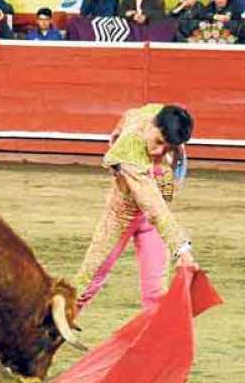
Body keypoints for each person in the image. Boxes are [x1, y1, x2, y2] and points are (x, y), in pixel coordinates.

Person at [74, 104, 196, 313]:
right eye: (158, 142)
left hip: (152, 222)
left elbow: (129, 114)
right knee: (87, 281)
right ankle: (48, 331)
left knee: (156, 292)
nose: (159, 151)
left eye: (167, 147)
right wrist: (181, 248)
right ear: (152, 125)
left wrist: (114, 135)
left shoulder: (156, 114)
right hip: (121, 215)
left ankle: (154, 343)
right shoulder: (129, 150)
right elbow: (153, 203)